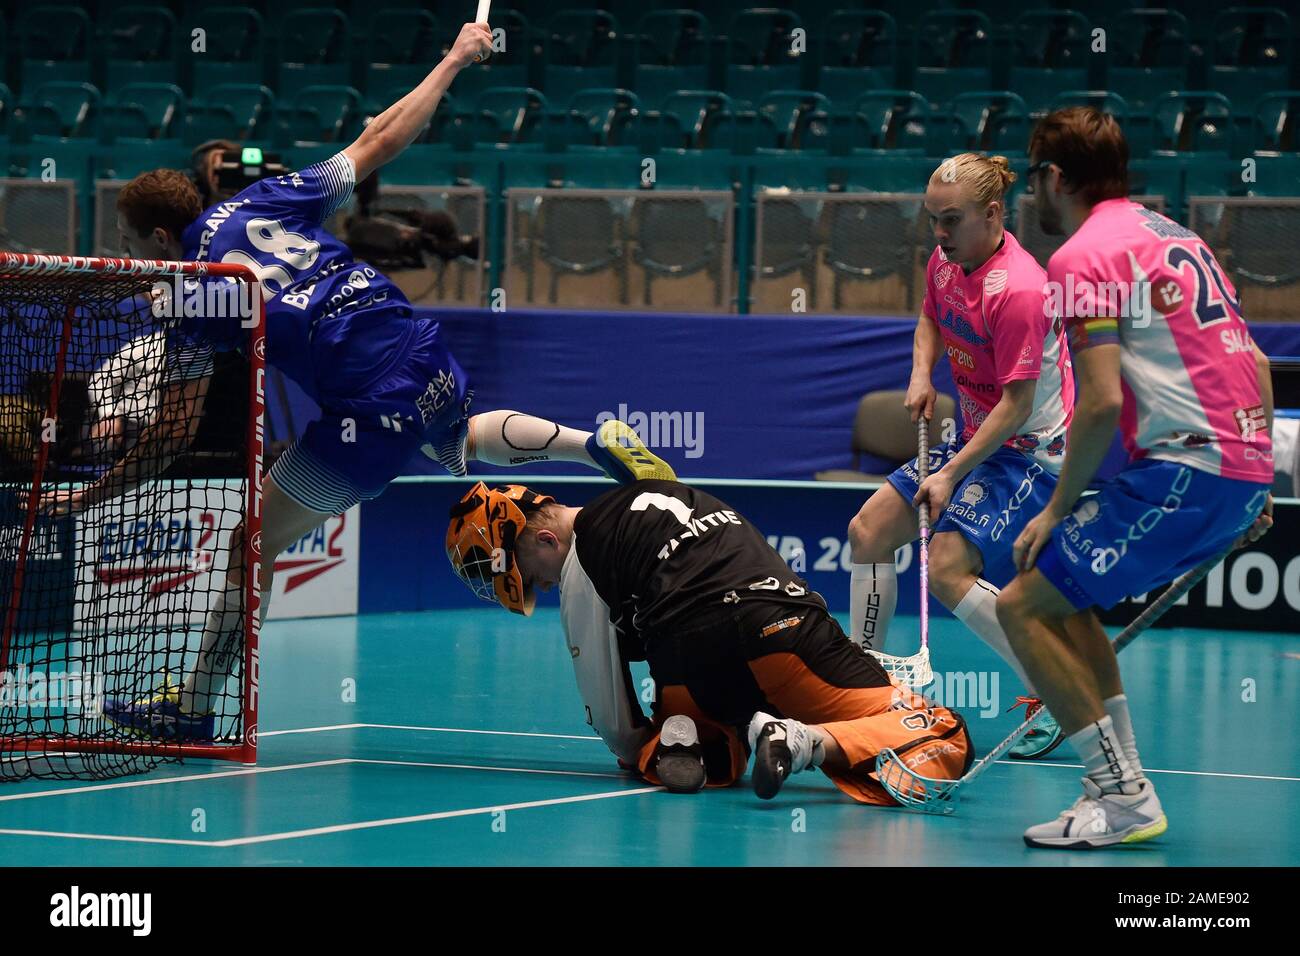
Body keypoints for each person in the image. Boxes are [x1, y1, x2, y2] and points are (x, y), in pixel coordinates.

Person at [40, 22, 676, 741]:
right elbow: (378, 140)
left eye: (130, 247)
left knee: (254, 540)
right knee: (453, 439)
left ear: (160, 241)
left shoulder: (189, 292)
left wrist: (91, 493)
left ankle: (191, 706)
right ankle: (591, 442)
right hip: (417, 342)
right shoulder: (260, 200)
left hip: (366, 408)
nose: (134, 259)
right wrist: (455, 58)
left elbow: (171, 436)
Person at [996, 107, 1274, 849]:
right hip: (1237, 460)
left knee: (1025, 603)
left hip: (1190, 466)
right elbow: (1258, 360)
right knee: (1067, 595)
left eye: (1034, 176)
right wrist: (1261, 477)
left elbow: (1102, 403)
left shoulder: (1080, 258)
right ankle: (1113, 783)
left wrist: (1053, 508)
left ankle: (1124, 797)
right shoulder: (1176, 236)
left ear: (1054, 178)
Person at [446, 479, 974, 802]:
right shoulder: (659, 496)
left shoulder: (584, 556)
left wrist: (640, 749)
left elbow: (610, 716)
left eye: (537, 575)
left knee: (689, 737)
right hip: (783, 628)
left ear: (545, 537)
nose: (547, 586)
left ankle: (694, 736)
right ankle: (805, 742)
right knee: (944, 736)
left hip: (689, 664)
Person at [845, 153, 1074, 757]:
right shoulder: (947, 260)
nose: (939, 234)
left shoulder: (1021, 289)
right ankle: (859, 676)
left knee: (945, 569)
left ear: (993, 214)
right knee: (867, 532)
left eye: (950, 220)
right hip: (972, 436)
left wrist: (949, 473)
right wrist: (921, 373)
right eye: (932, 221)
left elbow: (1018, 405)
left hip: (1029, 451)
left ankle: (1051, 688)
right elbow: (931, 319)